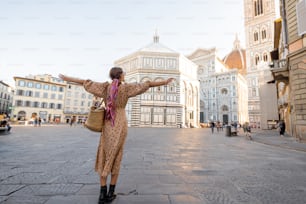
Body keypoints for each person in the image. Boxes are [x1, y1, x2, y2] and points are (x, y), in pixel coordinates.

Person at [59, 67, 174, 204]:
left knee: (105, 153)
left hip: (108, 123)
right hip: (120, 123)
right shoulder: (126, 89)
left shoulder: (105, 88)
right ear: (120, 75)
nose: (125, 74)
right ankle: (111, 193)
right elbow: (147, 83)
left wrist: (67, 78)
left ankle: (102, 194)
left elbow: (85, 82)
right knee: (116, 155)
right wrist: (164, 82)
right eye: (124, 73)